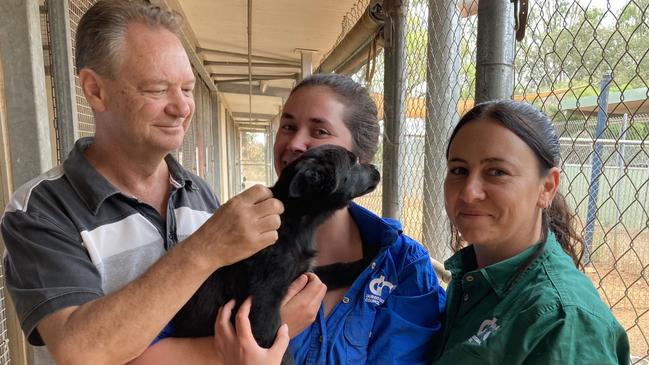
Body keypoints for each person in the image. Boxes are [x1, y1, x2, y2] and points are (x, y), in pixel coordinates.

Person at [0, 1, 323, 364]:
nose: (182, 108)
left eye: (187, 89)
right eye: (157, 89)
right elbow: (83, 351)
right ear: (94, 91)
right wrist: (204, 249)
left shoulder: (197, 192)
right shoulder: (41, 210)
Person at [209, 73, 446, 364]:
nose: (295, 143)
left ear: (360, 156)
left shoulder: (401, 266)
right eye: (287, 126)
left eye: (320, 132)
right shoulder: (231, 239)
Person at [432, 100, 630, 364]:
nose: (469, 192)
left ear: (547, 187)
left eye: (497, 172)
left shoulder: (562, 320)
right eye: (459, 170)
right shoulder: (474, 277)